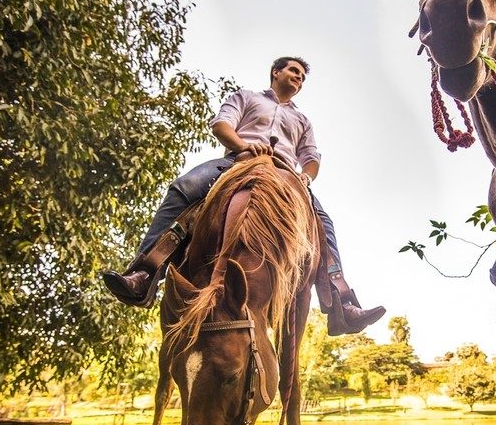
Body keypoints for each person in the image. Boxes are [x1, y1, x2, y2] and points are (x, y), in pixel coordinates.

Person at [102, 56, 385, 336]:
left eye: (302, 76)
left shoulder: (302, 120)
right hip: (238, 161)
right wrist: (244, 147)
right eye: (294, 71)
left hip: (285, 173)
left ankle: (341, 302)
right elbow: (221, 125)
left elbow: (310, 158)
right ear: (276, 72)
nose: (299, 78)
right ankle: (146, 272)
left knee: (324, 224)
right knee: (184, 188)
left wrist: (305, 177)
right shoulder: (246, 97)